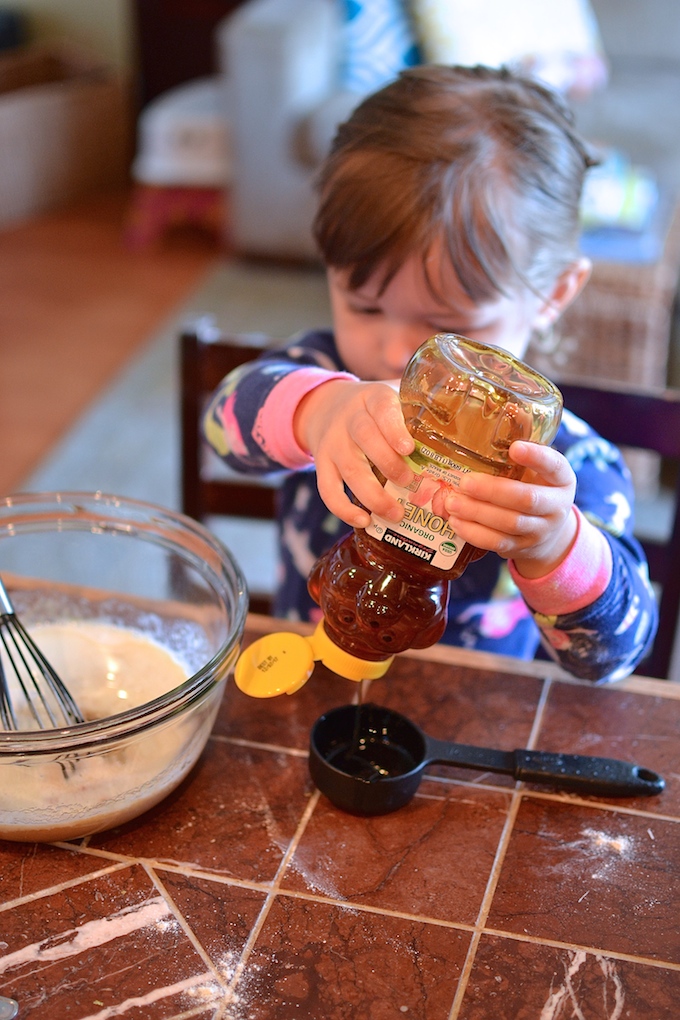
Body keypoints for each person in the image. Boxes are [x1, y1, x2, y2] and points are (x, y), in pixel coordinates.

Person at [203, 64, 657, 684]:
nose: (396, 354)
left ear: (553, 291)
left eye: (447, 331)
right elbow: (221, 426)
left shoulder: (566, 470)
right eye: (363, 306)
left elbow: (612, 659)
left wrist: (555, 547)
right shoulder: (327, 374)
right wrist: (317, 414)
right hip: (316, 678)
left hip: (468, 719)